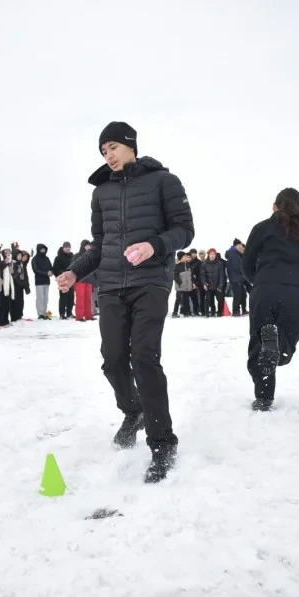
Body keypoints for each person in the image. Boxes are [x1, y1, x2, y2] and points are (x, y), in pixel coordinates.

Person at [57, 121, 194, 483]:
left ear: (131, 145)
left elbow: (185, 229)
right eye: (104, 151)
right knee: (114, 360)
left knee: (144, 358)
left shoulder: (164, 181)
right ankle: (133, 411)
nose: (109, 156)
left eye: (114, 147)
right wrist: (74, 271)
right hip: (111, 285)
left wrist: (155, 245)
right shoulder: (101, 192)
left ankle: (162, 443)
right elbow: (100, 245)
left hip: (151, 281)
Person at [241, 188, 299, 412]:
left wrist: (260, 282)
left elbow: (247, 264)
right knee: (283, 344)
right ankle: (279, 346)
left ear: (275, 205)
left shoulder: (261, 228)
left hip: (266, 289)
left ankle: (264, 397)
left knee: (261, 344)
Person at [32, 243, 54, 319]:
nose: (43, 250)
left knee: (46, 298)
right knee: (40, 297)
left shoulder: (47, 258)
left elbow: (51, 267)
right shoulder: (34, 259)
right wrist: (46, 273)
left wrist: (51, 272)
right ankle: (40, 313)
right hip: (39, 282)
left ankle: (45, 313)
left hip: (46, 281)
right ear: (38, 250)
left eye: (44, 249)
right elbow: (36, 270)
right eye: (41, 249)